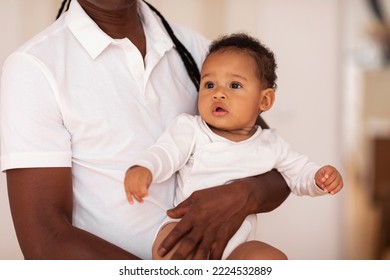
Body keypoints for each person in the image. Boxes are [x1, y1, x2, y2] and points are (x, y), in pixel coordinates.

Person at [0, 0, 290, 260]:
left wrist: (241, 195)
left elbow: (276, 167)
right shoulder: (35, 68)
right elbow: (44, 242)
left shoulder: (194, 49)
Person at [124, 33, 344, 260]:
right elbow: (166, 152)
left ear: (264, 101)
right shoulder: (191, 129)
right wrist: (145, 168)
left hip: (237, 246)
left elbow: (299, 174)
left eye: (234, 85)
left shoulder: (271, 143)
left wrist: (319, 178)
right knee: (169, 250)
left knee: (274, 260)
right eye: (209, 84)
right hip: (186, 230)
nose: (218, 93)